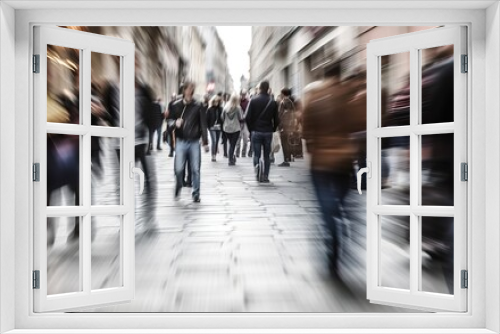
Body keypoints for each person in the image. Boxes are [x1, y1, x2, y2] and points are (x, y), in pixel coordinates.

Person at [302, 66, 365, 278]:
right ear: (339, 75)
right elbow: (359, 123)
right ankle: (340, 219)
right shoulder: (347, 96)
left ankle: (332, 241)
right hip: (344, 161)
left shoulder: (314, 96)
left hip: (320, 162)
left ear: (324, 76)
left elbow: (305, 129)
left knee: (325, 207)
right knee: (341, 202)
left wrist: (313, 145)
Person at [167, 81, 209, 202]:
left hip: (195, 141)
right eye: (189, 89)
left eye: (192, 89)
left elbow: (203, 124)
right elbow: (169, 123)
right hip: (181, 141)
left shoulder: (198, 105)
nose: (191, 92)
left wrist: (205, 142)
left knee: (195, 169)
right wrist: (175, 123)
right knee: (179, 169)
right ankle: (179, 185)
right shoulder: (175, 105)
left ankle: (196, 193)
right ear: (184, 90)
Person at [245, 80, 279, 183]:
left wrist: (251, 129)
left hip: (256, 131)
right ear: (268, 88)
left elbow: (247, 117)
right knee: (267, 155)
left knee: (256, 154)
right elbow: (277, 119)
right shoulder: (272, 102)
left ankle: (257, 169)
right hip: (268, 131)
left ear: (259, 88)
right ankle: (265, 176)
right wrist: (273, 129)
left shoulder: (253, 100)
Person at [277, 87, 300, 167]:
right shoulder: (290, 102)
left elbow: (282, 115)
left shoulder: (284, 102)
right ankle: (289, 157)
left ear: (283, 94)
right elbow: (293, 114)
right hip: (289, 125)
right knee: (288, 142)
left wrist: (281, 126)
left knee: (285, 143)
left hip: (284, 126)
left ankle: (286, 159)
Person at [221, 93, 244, 166]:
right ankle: (230, 159)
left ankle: (232, 157)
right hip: (235, 128)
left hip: (227, 128)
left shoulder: (226, 107)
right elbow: (241, 118)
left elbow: (222, 117)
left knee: (231, 144)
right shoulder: (238, 108)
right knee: (233, 145)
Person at [206, 95, 223, 162]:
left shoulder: (221, 109)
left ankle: (215, 154)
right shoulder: (209, 109)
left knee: (217, 141)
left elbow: (222, 118)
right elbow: (207, 119)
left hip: (218, 127)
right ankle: (213, 155)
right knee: (214, 141)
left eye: (217, 101)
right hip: (212, 127)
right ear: (213, 102)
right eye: (215, 101)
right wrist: (208, 127)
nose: (216, 103)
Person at [235, 90, 250, 158]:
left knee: (245, 139)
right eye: (242, 94)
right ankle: (237, 153)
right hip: (238, 123)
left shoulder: (248, 102)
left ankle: (243, 153)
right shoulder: (237, 102)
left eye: (244, 94)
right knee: (238, 140)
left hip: (245, 123)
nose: (243, 96)